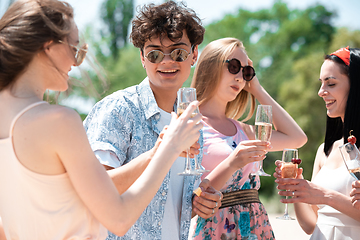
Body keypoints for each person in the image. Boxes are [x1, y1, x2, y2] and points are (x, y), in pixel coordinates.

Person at [0, 0, 204, 239]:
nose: (77, 62)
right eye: (75, 48)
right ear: (49, 47)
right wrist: (169, 148)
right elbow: (118, 219)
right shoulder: (58, 120)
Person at [83, 1, 223, 240]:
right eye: (155, 54)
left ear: (194, 55)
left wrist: (199, 202)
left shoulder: (190, 121)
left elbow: (165, 206)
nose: (166, 61)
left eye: (178, 52)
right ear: (142, 58)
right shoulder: (118, 110)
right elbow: (95, 191)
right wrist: (160, 153)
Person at [188, 37, 307, 239]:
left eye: (246, 72)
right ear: (210, 67)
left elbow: (296, 138)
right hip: (217, 229)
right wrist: (232, 163)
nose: (240, 78)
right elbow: (187, 200)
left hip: (256, 228)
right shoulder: (190, 127)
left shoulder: (244, 131)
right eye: (234, 66)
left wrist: (257, 89)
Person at [274, 47, 360, 240]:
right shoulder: (325, 151)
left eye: (330, 84)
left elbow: (324, 197)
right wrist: (297, 188)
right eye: (321, 84)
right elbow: (311, 224)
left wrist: (324, 195)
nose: (321, 92)